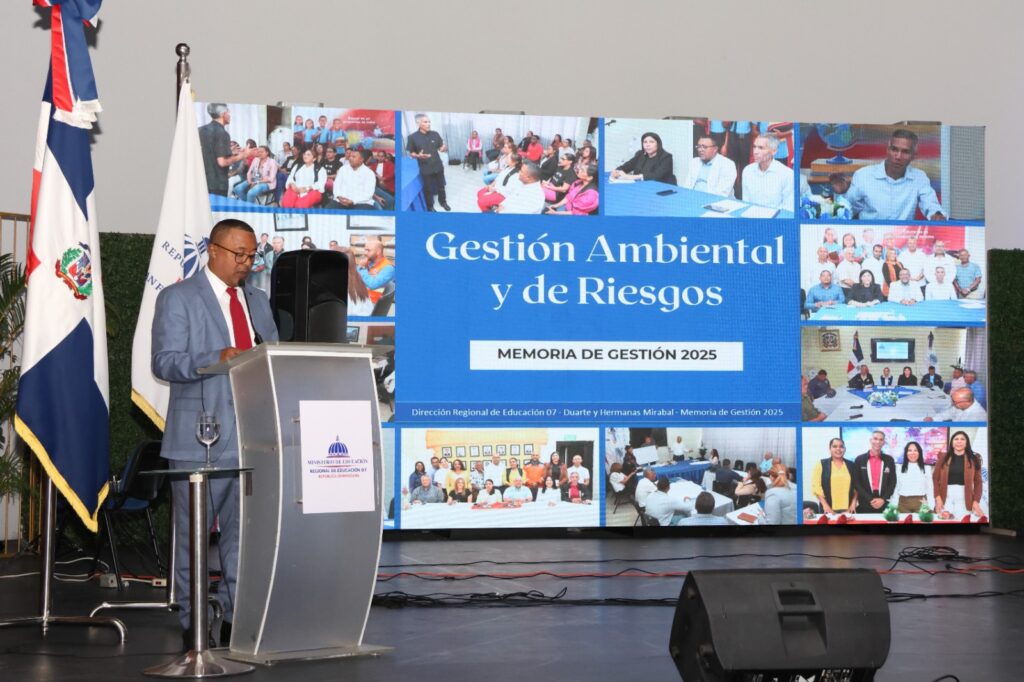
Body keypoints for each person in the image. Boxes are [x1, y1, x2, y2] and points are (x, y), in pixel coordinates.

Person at [152, 218, 279, 650]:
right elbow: (164, 361)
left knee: (244, 539)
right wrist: (215, 357)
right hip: (198, 438)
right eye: (239, 254)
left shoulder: (258, 301)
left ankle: (234, 619)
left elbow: (272, 357)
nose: (246, 263)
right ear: (213, 250)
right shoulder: (179, 297)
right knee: (193, 539)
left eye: (252, 256)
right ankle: (195, 621)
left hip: (253, 437)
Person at [845, 128, 946, 220]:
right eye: (894, 150)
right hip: (869, 233)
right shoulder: (864, 175)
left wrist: (937, 214)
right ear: (887, 150)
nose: (898, 156)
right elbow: (847, 208)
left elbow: (931, 205)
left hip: (904, 234)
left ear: (914, 156)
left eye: (905, 152)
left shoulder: (919, 177)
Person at [198, 104, 254, 196]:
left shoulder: (200, 130)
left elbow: (207, 152)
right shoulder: (222, 133)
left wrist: (229, 151)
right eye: (228, 112)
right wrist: (244, 155)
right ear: (223, 114)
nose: (230, 115)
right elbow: (222, 162)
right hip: (217, 184)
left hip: (201, 181)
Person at [933, 430, 985, 519]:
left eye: (962, 439)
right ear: (952, 442)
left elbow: (978, 482)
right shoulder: (943, 457)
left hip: (965, 498)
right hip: (945, 497)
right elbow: (935, 478)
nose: (959, 441)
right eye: (956, 439)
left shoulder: (974, 459)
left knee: (963, 521)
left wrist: (976, 501)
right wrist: (937, 498)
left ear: (967, 443)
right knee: (944, 522)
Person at [406, 113, 450, 211]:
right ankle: (430, 206)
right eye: (425, 122)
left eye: (429, 122)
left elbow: (441, 147)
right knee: (428, 189)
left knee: (441, 186)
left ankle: (443, 202)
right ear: (418, 123)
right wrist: (418, 155)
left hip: (438, 165)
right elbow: (411, 153)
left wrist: (444, 148)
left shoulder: (435, 134)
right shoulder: (412, 137)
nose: (429, 124)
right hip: (425, 168)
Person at [741, 135, 793, 211]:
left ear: (774, 151)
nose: (755, 152)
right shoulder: (747, 171)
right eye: (754, 147)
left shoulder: (787, 174)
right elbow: (746, 202)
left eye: (761, 148)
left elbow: (789, 209)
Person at [851, 430, 897, 513]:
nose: (878, 442)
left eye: (881, 439)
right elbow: (856, 483)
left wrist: (883, 499)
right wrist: (870, 499)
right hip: (865, 502)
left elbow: (892, 482)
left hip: (883, 502)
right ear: (870, 440)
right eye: (875, 439)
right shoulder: (860, 459)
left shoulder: (889, 460)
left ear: (884, 442)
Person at [810, 438, 857, 515]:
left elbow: (856, 487)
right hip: (828, 509)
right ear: (830, 449)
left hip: (848, 510)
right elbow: (816, 487)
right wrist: (825, 506)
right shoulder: (821, 464)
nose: (838, 449)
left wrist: (853, 503)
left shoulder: (851, 465)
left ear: (845, 449)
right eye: (834, 446)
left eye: (841, 446)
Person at [611, 132, 676, 184]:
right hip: (641, 187)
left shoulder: (666, 157)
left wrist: (629, 177)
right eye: (645, 142)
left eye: (651, 142)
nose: (647, 145)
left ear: (658, 144)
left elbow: (655, 177)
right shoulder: (640, 154)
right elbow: (625, 167)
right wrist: (617, 171)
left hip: (662, 189)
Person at [894, 441, 934, 513]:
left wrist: (931, 506)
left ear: (919, 453)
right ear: (906, 453)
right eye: (909, 450)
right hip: (902, 504)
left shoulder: (926, 468)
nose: (913, 453)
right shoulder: (899, 468)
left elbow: (930, 489)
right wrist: (893, 505)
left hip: (921, 504)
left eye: (915, 450)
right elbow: (896, 488)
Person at [356, 237, 394, 304]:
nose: (365, 253)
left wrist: (363, 268)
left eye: (368, 250)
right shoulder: (368, 262)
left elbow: (373, 285)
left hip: (375, 303)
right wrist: (361, 268)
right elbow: (355, 276)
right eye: (365, 250)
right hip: (363, 299)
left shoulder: (388, 268)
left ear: (378, 252)